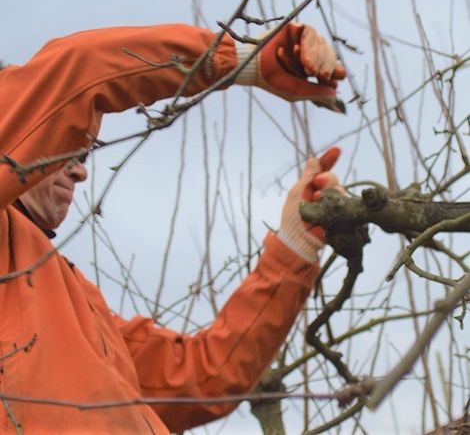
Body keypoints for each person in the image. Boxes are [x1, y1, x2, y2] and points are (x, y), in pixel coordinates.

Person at [0, 22, 344, 433]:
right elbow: (76, 72)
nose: (79, 172)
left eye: (85, 156)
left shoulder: (70, 305)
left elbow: (202, 377)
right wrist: (241, 61)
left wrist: (294, 246)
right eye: (61, 148)